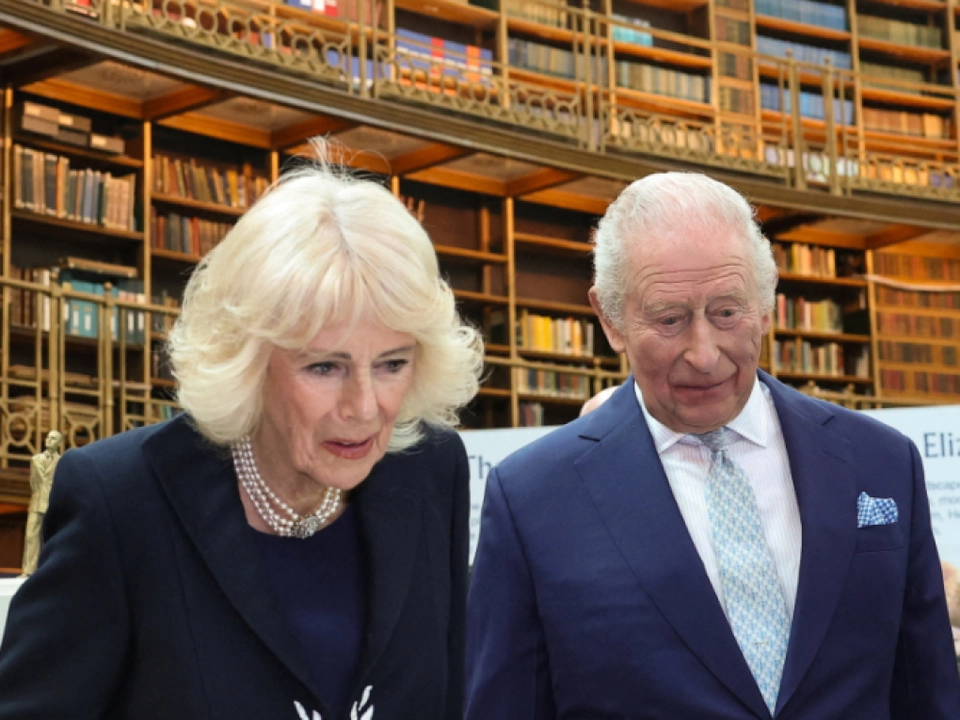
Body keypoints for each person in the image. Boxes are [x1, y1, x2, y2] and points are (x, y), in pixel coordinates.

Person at [0, 141, 483, 720]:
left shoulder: (431, 471)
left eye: (392, 364)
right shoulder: (119, 501)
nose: (364, 407)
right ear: (248, 359)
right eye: (324, 367)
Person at [466, 171, 960, 719]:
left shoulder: (882, 462)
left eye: (726, 312)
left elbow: (929, 693)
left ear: (766, 305)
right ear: (610, 320)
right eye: (669, 319)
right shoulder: (532, 500)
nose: (704, 354)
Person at [19, 430, 63, 577]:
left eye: (53, 438)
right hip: (37, 501)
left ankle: (52, 571)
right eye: (48, 437)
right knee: (31, 536)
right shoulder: (35, 459)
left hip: (52, 502)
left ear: (59, 443)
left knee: (53, 537)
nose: (48, 440)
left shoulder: (61, 462)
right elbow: (33, 482)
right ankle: (28, 570)